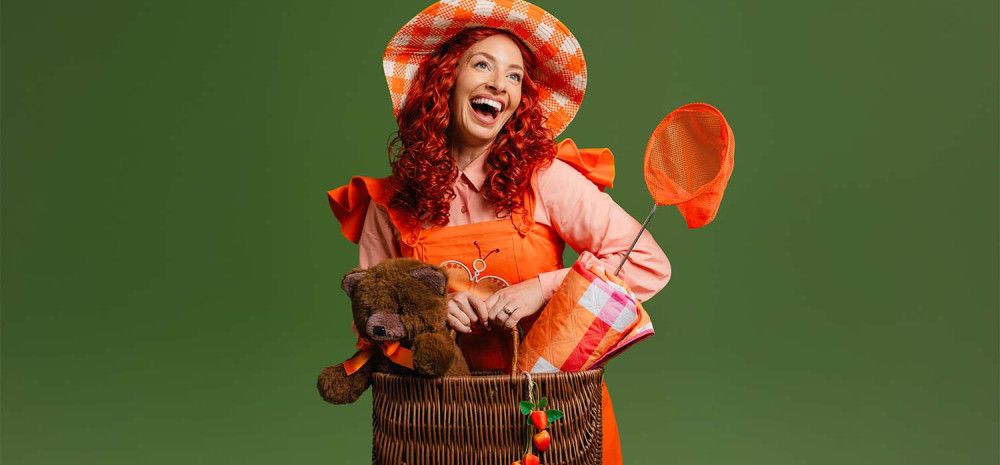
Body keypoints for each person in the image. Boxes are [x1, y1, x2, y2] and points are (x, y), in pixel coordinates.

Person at [326, 2, 671, 463]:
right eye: (483, 65)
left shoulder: (546, 180)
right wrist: (433, 309)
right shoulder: (391, 203)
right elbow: (371, 325)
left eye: (514, 76)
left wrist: (544, 288)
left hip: (548, 425)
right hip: (439, 429)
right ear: (445, 80)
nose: (498, 84)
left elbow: (647, 263)